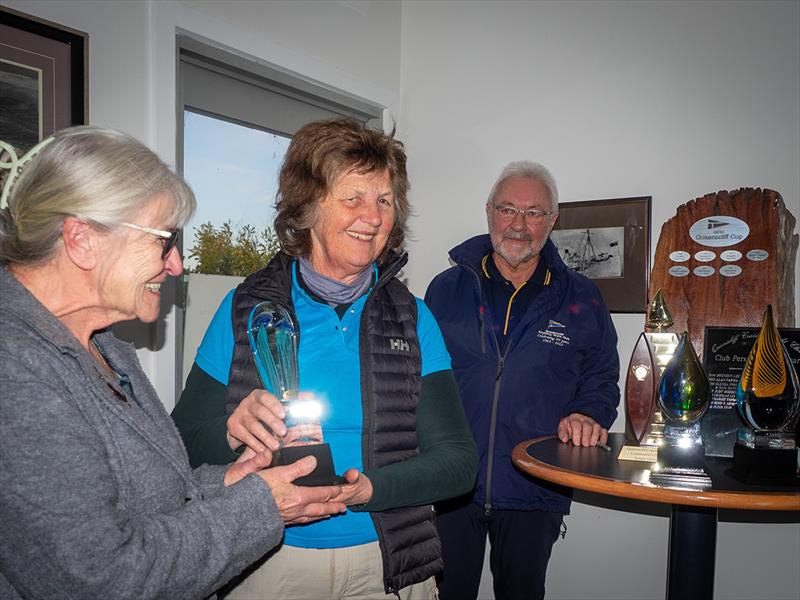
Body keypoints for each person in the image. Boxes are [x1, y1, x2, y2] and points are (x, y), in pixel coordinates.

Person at [0, 128, 347, 600]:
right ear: (81, 239)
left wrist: (230, 480)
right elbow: (100, 580)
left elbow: (152, 496)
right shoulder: (16, 371)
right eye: (163, 240)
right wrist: (262, 506)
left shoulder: (107, 346)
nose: (177, 264)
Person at [172, 118, 478, 600]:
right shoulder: (243, 310)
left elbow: (459, 464)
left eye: (384, 201)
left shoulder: (414, 318)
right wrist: (232, 429)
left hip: (389, 561)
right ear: (308, 207)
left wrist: (368, 489)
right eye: (353, 198)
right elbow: (181, 446)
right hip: (268, 559)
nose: (374, 217)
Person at [424, 161, 620, 600]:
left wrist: (587, 412)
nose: (519, 224)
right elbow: (421, 376)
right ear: (489, 211)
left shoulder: (581, 298)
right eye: (508, 209)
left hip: (536, 483)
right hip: (453, 482)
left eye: (534, 212)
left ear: (552, 220)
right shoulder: (445, 288)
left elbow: (602, 375)